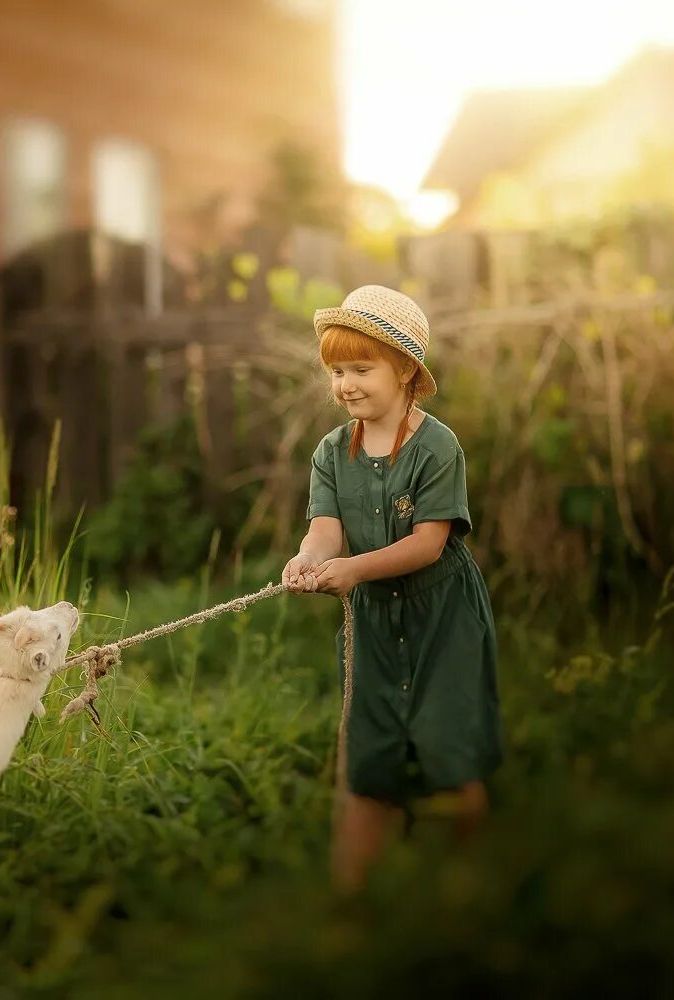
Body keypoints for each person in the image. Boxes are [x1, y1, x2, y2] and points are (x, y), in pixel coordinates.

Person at [282, 285, 504, 895]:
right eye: (336, 370)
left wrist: (353, 571)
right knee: (370, 755)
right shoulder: (332, 452)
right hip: (376, 620)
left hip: (442, 614)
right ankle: (351, 900)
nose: (345, 384)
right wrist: (307, 560)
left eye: (361, 368)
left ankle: (470, 884)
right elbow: (325, 531)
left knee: (447, 742)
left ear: (405, 369)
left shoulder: (437, 446)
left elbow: (428, 544)